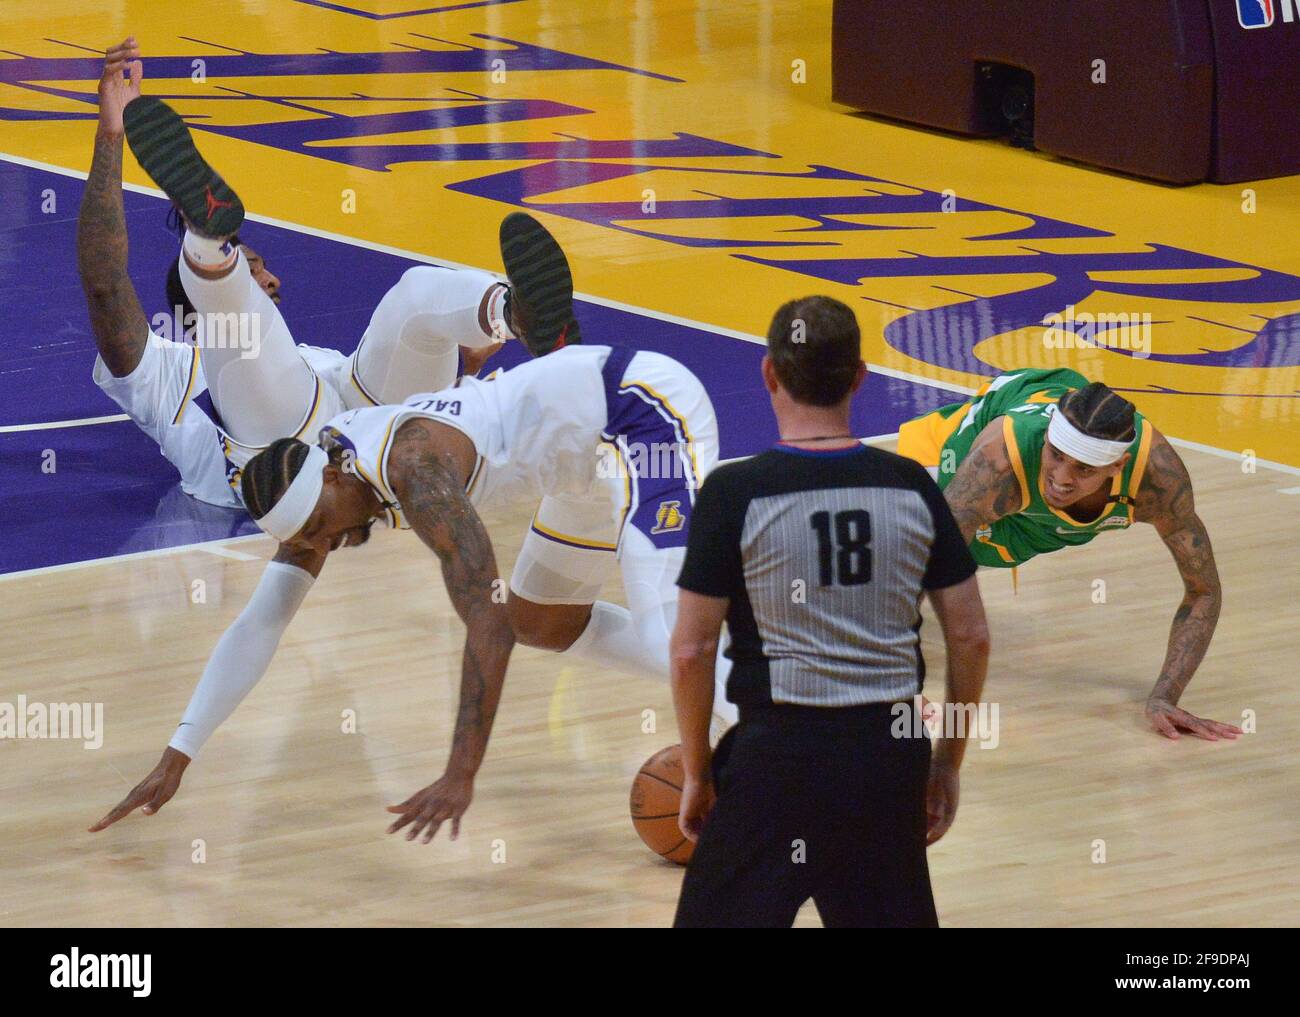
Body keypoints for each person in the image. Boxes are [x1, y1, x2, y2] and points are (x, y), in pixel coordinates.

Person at [90, 341, 722, 843]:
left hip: (640, 418)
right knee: (540, 621)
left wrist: (460, 773)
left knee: (676, 631)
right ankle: (747, 672)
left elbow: (486, 624)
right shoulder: (324, 485)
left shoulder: (415, 473)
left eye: (320, 529)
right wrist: (180, 752)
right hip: (574, 464)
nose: (325, 545)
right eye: (311, 541)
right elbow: (261, 623)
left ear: (334, 478)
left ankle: (786, 734)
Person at [80, 40, 569, 510]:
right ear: (189, 316)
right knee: (238, 329)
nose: (273, 280)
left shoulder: (309, 359)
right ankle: (207, 242)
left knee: (416, 295)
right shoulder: (164, 374)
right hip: (281, 473)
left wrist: (457, 357)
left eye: (264, 269)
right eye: (254, 270)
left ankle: (515, 312)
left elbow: (419, 376)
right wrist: (109, 138)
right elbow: (104, 285)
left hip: (372, 438)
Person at [669, 296, 989, 928]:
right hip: (888, 754)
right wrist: (945, 764)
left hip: (778, 758)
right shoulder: (911, 486)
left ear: (768, 373)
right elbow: (971, 636)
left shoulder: (735, 493)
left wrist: (696, 773)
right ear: (860, 377)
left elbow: (691, 650)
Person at [897, 367, 1240, 741]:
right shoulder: (995, 464)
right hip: (962, 455)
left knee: (975, 555)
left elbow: (1203, 590)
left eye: (1083, 468)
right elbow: (915, 578)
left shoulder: (1158, 480)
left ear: (1117, 467)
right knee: (904, 553)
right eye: (1056, 455)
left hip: (1033, 517)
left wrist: (1164, 696)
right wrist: (899, 688)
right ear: (1045, 439)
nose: (1061, 478)